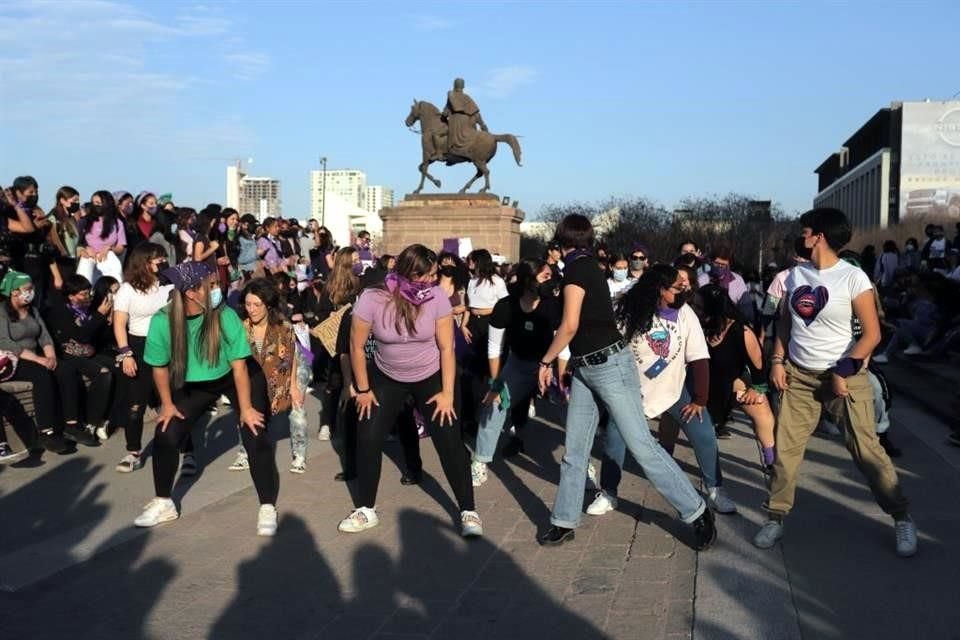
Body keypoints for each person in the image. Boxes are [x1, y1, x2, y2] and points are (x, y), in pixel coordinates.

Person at [535, 214, 715, 549]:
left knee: (642, 446)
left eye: (557, 244)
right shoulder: (583, 267)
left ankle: (696, 510)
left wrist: (545, 361)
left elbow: (570, 324)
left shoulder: (578, 268)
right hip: (586, 367)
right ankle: (564, 519)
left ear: (564, 241)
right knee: (575, 449)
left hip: (608, 366)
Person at [759, 207, 916, 556]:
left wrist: (843, 370)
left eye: (806, 230)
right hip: (798, 377)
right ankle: (776, 517)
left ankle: (901, 516)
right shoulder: (795, 276)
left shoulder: (852, 278)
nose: (801, 235)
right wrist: (777, 360)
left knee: (867, 452)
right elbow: (786, 323)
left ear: (820, 236)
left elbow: (872, 334)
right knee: (785, 453)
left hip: (842, 377)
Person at [339, 244, 482, 537]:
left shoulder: (437, 298)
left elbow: (446, 348)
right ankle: (366, 509)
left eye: (435, 275)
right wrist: (363, 389)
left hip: (430, 375)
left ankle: (468, 510)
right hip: (386, 376)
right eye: (428, 275)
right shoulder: (373, 298)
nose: (433, 281)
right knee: (368, 436)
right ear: (411, 273)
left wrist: (447, 393)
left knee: (449, 441)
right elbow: (355, 345)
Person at [134, 262, 279, 536]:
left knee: (255, 434)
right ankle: (164, 503)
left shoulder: (224, 316)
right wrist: (166, 405)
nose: (216, 291)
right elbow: (159, 367)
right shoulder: (163, 321)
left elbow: (239, 367)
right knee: (165, 433)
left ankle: (267, 505)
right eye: (210, 286)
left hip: (239, 377)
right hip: (198, 385)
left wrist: (246, 409)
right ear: (191, 292)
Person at [587, 265, 736, 518]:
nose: (683, 291)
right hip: (631, 393)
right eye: (677, 287)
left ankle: (715, 489)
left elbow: (699, 357)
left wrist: (700, 399)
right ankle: (609, 492)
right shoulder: (627, 311)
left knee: (704, 434)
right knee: (614, 439)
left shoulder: (685, 313)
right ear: (660, 289)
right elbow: (610, 346)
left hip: (674, 390)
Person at [472, 258, 559, 486]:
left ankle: (583, 467)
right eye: (545, 276)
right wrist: (496, 383)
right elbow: (494, 348)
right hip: (518, 364)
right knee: (494, 403)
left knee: (575, 413)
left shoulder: (553, 304)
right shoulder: (506, 306)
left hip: (551, 366)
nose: (551, 281)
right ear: (528, 280)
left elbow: (564, 344)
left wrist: (557, 374)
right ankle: (480, 461)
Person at [234, 278, 311, 474]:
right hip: (261, 369)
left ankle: (299, 456)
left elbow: (290, 358)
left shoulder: (282, 326)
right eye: (248, 304)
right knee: (246, 408)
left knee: (297, 408)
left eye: (257, 305)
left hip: (292, 364)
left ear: (267, 305)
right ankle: (245, 453)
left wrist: (293, 387)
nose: (251, 309)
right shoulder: (241, 327)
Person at [698, 284, 776, 471]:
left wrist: (758, 389)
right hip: (707, 385)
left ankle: (771, 460)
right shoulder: (699, 327)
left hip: (737, 382)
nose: (697, 310)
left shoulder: (742, 331)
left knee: (763, 414)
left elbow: (758, 363)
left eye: (700, 306)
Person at [111, 243, 173, 472]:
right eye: (158, 258)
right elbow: (119, 324)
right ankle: (133, 452)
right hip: (138, 345)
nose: (162, 262)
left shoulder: (168, 285)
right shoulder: (127, 290)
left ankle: (186, 450)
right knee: (135, 405)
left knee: (172, 400)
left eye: (163, 258)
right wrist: (125, 353)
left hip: (166, 345)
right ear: (144, 261)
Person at [0, 270, 71, 452]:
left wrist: (51, 357)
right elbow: (6, 342)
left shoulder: (33, 310)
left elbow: (44, 337)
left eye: (31, 288)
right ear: (14, 291)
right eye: (27, 288)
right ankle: (47, 430)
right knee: (42, 375)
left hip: (37, 356)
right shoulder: (2, 312)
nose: (31, 292)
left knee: (65, 370)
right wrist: (39, 359)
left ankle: (71, 423)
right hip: (13, 359)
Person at [46, 274, 114, 447]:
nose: (88, 297)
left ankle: (107, 418)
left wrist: (109, 320)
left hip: (90, 351)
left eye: (89, 293)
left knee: (119, 368)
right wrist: (99, 316)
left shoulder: (91, 308)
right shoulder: (61, 311)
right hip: (68, 353)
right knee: (103, 374)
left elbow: (98, 337)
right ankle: (91, 423)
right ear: (71, 296)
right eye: (83, 294)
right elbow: (80, 336)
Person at [77, 190, 126, 285]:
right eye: (93, 203)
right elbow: (77, 243)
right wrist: (84, 248)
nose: (95, 205)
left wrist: (110, 248)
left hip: (109, 262)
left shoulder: (117, 223)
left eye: (98, 203)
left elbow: (121, 248)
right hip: (89, 259)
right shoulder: (84, 221)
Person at [434, 77, 488, 161]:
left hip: (455, 123)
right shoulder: (467, 98)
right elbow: (476, 113)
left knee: (436, 134)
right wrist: (483, 125)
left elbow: (445, 112)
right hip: (468, 125)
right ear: (463, 86)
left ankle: (439, 154)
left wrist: (443, 115)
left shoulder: (452, 96)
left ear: (454, 85)